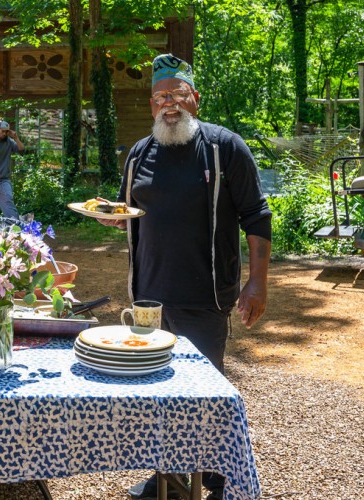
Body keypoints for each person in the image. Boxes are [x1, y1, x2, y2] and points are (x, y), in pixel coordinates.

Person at [99, 54, 272, 500]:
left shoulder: (224, 147)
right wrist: (110, 217)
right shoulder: (140, 152)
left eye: (177, 94)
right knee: (155, 392)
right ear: (152, 103)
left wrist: (258, 283)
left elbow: (257, 215)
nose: (168, 103)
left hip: (205, 294)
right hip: (148, 297)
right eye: (160, 96)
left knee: (205, 394)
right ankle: (168, 478)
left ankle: (216, 480)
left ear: (194, 98)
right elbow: (126, 212)